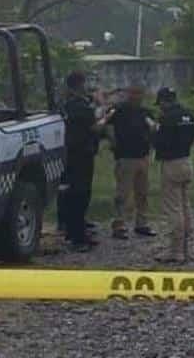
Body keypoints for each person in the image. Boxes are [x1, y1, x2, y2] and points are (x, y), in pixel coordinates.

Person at [105, 84, 157, 240]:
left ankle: (142, 223)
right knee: (122, 194)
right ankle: (119, 225)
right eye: (133, 93)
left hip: (143, 156)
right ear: (128, 94)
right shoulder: (119, 110)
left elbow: (153, 129)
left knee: (142, 193)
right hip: (125, 157)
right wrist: (112, 139)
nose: (136, 96)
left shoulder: (146, 112)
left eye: (139, 93)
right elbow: (105, 124)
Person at [152, 87, 194, 263]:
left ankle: (176, 252)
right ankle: (185, 248)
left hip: (171, 163)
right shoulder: (190, 116)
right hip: (187, 160)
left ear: (164, 101)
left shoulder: (166, 119)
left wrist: (154, 130)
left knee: (173, 208)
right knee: (185, 205)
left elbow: (159, 142)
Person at [62, 71, 106, 252]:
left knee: (75, 193)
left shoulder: (70, 103)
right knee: (79, 194)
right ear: (79, 84)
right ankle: (77, 237)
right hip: (80, 154)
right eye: (85, 83)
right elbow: (95, 127)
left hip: (74, 153)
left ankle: (75, 230)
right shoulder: (78, 105)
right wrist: (106, 113)